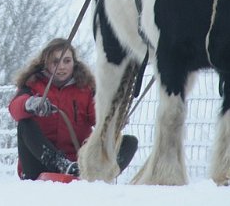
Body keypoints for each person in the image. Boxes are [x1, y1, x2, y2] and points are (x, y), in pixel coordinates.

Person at [8, 38, 138, 180]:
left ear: (74, 63)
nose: (61, 67)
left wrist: (115, 118)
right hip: (38, 163)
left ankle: (104, 174)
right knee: (24, 124)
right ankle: (61, 165)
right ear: (45, 63)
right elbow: (15, 108)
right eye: (55, 62)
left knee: (130, 142)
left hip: (77, 163)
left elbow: (99, 117)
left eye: (67, 61)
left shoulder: (86, 89)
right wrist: (30, 104)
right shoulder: (32, 84)